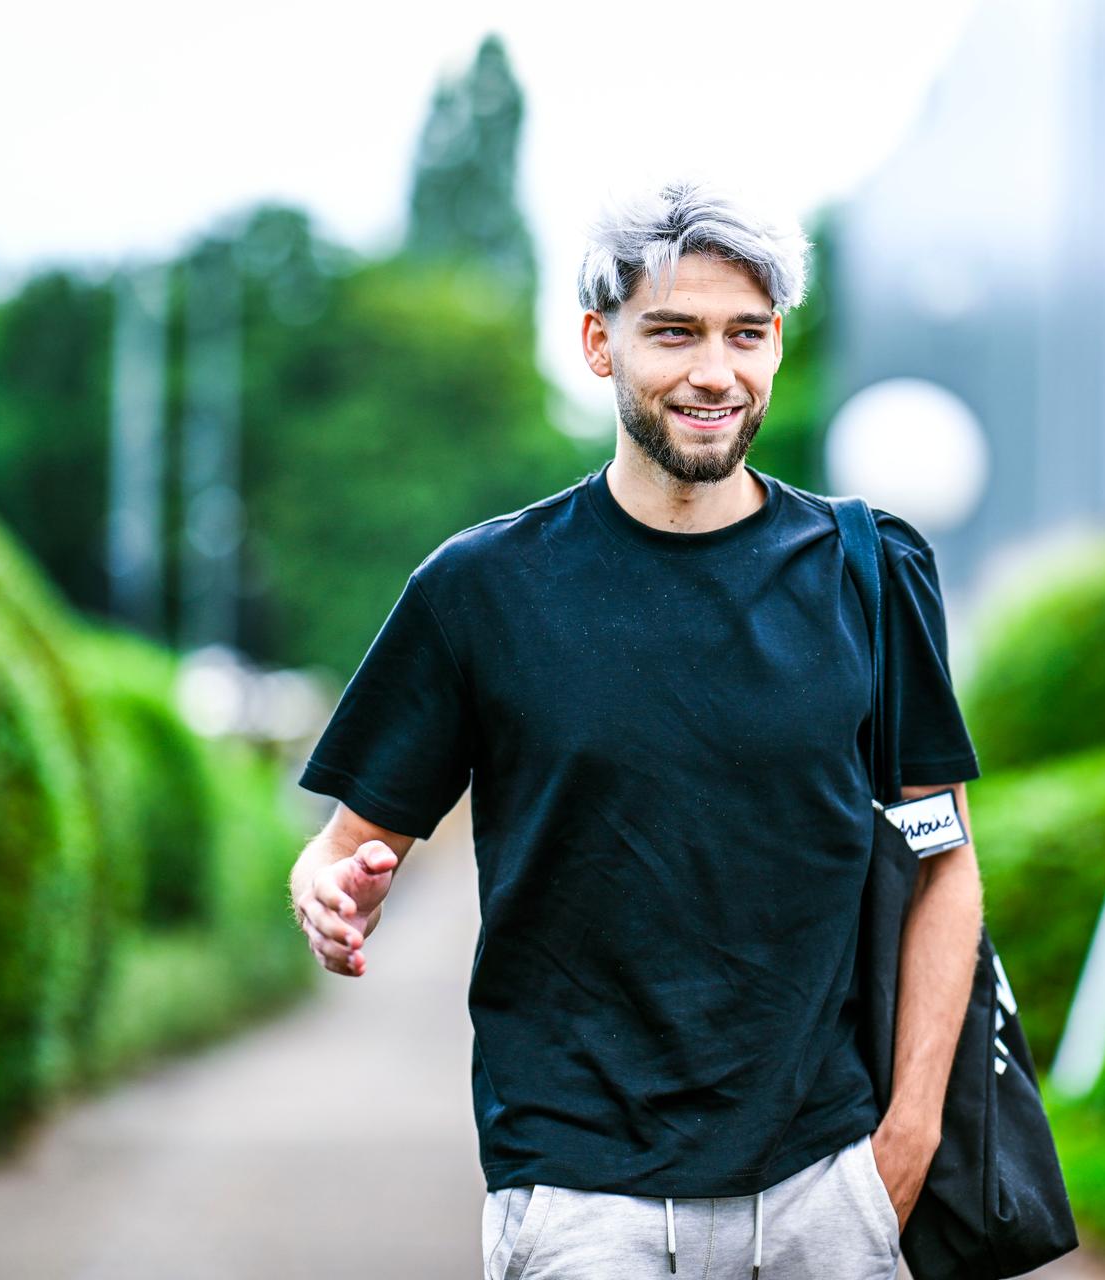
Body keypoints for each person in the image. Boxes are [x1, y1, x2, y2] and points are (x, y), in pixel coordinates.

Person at [288, 178, 985, 1280]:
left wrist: (905, 1142)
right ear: (597, 343)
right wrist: (326, 889)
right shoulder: (483, 589)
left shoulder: (869, 573)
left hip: (825, 1185)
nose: (715, 370)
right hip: (578, 1194)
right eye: (675, 331)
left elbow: (945, 866)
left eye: (745, 334)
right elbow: (341, 847)